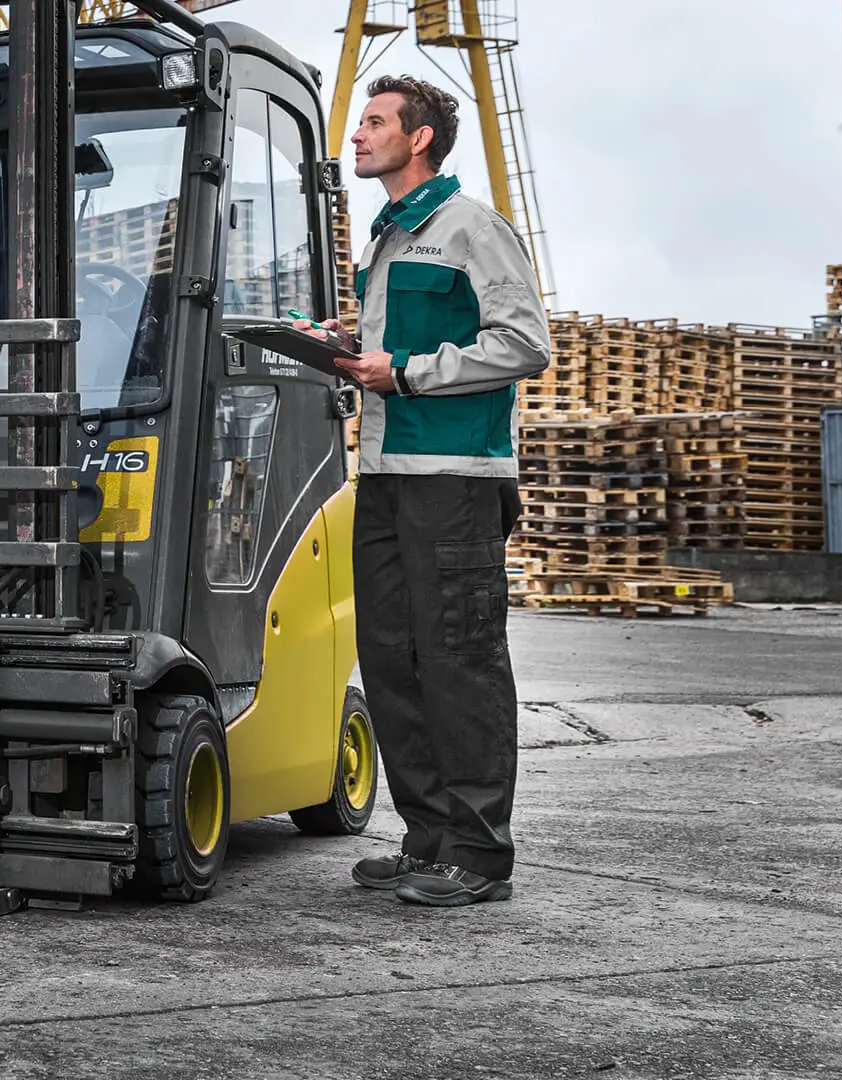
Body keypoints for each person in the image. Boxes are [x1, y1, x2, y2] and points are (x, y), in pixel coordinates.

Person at [305, 75, 551, 907]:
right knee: (393, 661)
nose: (360, 135)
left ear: (419, 140)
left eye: (375, 122)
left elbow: (524, 344)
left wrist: (405, 374)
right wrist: (339, 345)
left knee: (460, 663)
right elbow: (393, 347)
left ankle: (480, 857)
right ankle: (428, 839)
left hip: (455, 479)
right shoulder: (388, 238)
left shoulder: (470, 228)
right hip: (382, 475)